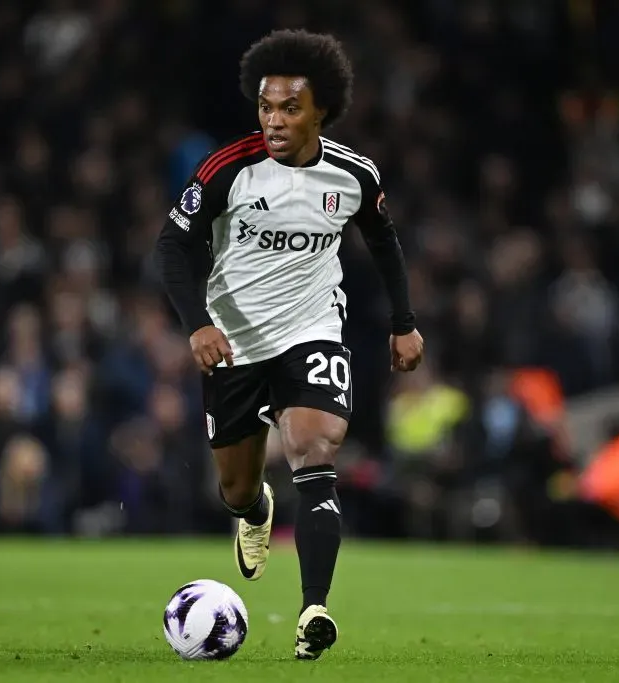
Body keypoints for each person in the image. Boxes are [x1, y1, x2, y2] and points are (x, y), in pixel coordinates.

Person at [154, 29, 424, 660]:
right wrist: (197, 323)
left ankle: (313, 613)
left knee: (313, 450)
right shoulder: (227, 170)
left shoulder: (353, 175)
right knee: (236, 487)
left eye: (289, 109)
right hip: (234, 344)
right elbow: (171, 247)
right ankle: (254, 512)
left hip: (312, 330)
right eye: (266, 108)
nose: (274, 121)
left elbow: (383, 241)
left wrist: (403, 322)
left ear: (320, 109)